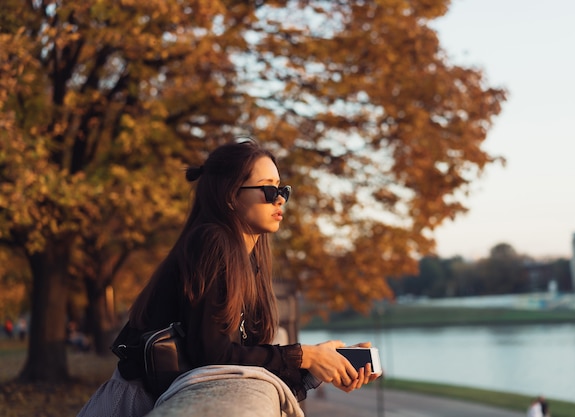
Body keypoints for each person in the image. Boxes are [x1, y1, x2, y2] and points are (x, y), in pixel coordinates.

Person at [77, 139, 378, 417]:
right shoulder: (211, 242)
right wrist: (303, 355)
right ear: (231, 196)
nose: (280, 200)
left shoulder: (248, 260)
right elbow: (211, 353)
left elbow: (242, 356)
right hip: (134, 404)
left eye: (282, 190)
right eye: (269, 190)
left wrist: (320, 366)